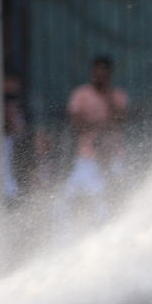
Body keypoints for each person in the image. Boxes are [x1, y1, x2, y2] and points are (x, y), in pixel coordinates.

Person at [62, 55, 128, 215]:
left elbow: (121, 120)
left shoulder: (118, 95)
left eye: (104, 71)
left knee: (115, 194)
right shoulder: (81, 94)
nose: (100, 74)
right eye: (97, 70)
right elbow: (77, 124)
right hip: (88, 155)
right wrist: (103, 124)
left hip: (114, 154)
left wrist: (107, 95)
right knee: (74, 196)